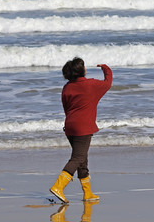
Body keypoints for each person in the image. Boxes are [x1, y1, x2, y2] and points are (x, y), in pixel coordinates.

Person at [50, 57, 112, 203]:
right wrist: (105, 68)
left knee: (82, 159)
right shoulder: (91, 85)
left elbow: (66, 108)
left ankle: (88, 193)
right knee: (77, 158)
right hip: (83, 128)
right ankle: (58, 186)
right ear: (82, 70)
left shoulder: (67, 87)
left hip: (70, 126)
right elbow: (107, 83)